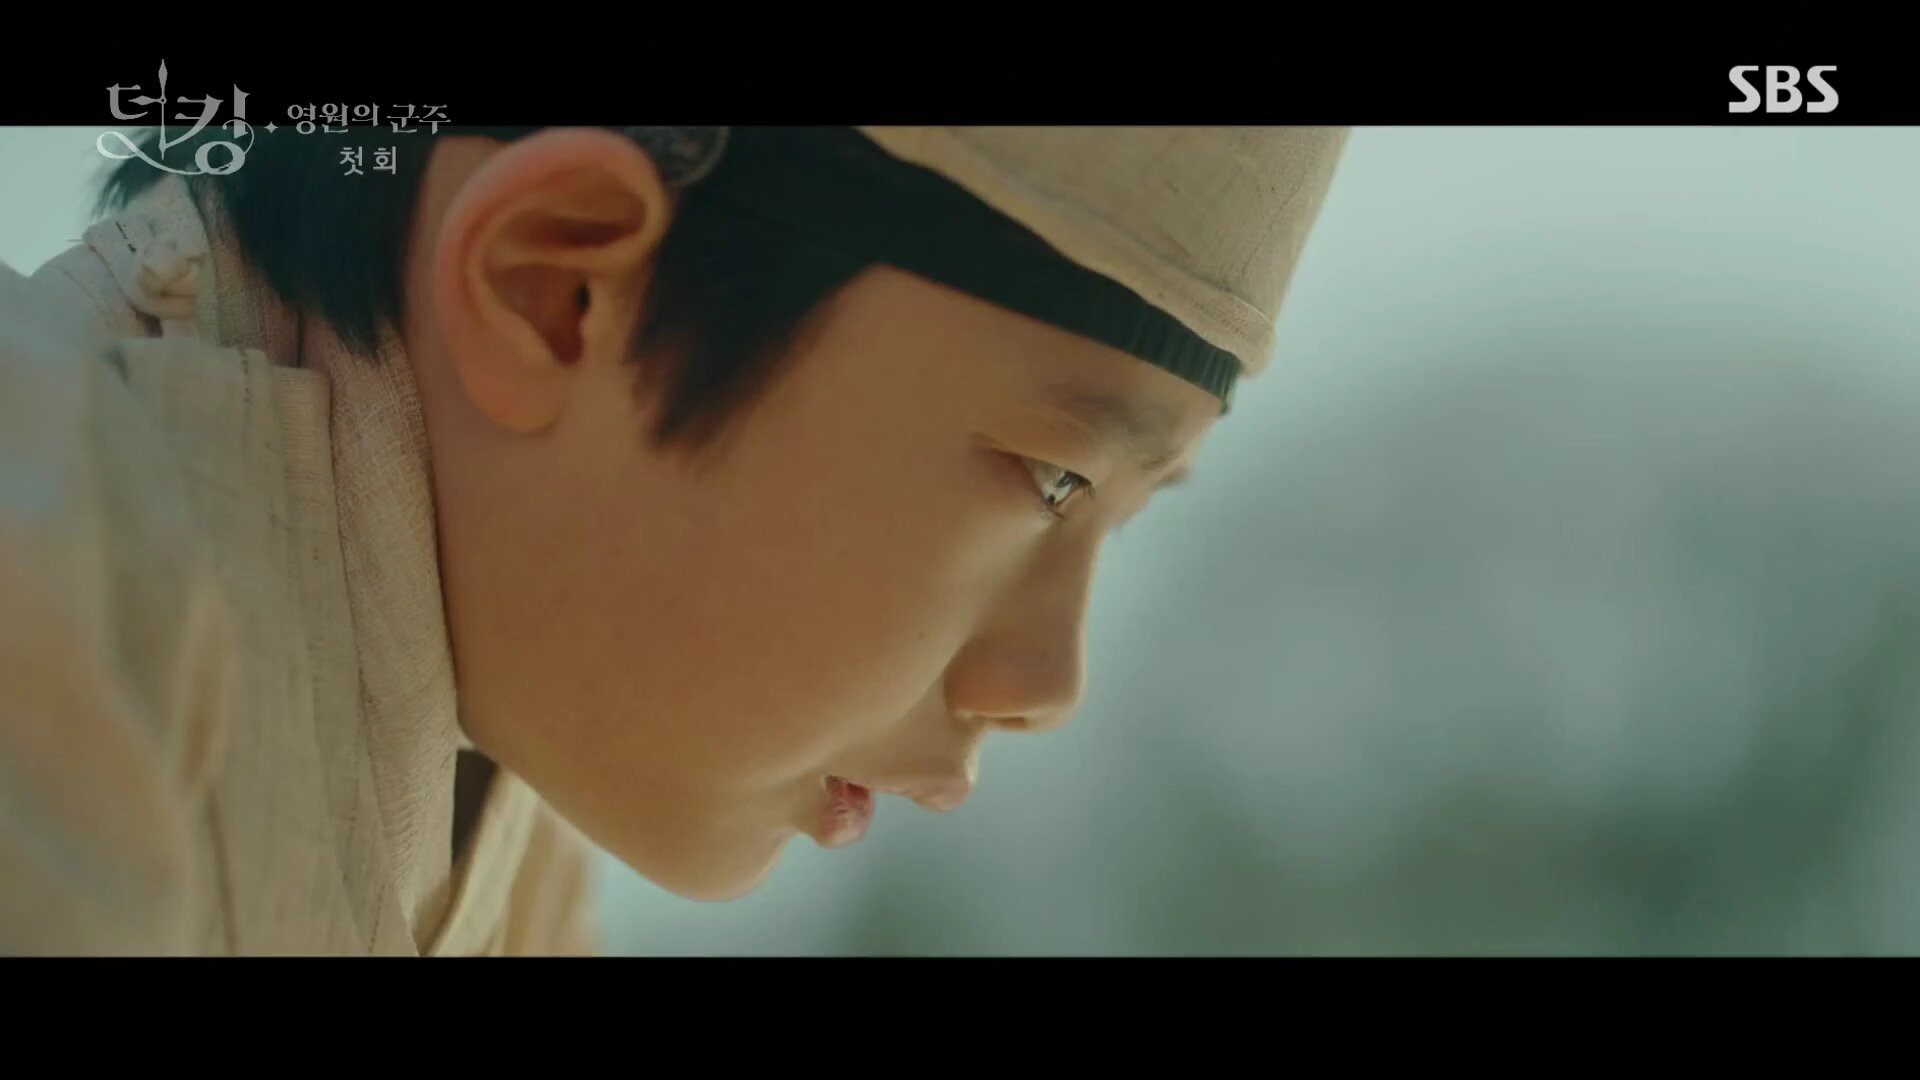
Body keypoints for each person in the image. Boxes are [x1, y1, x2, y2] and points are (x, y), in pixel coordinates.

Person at [0, 124, 1347, 955]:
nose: (1046, 687)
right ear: (555, 285)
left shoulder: (505, 779)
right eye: (1054, 478)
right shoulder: (43, 585)